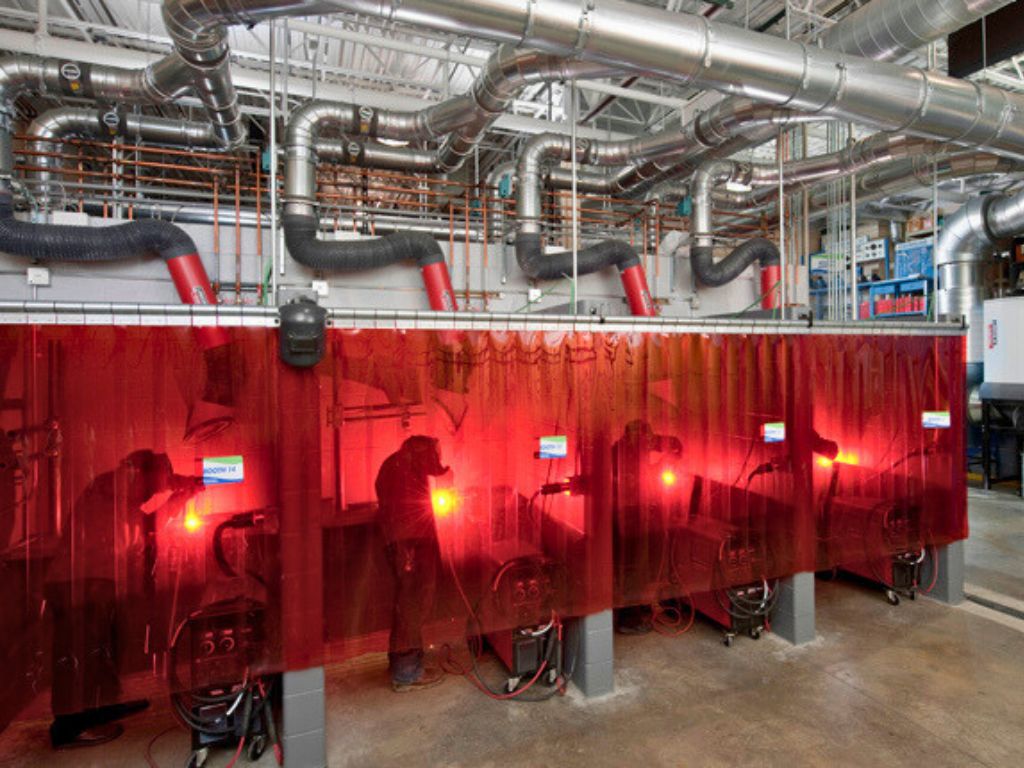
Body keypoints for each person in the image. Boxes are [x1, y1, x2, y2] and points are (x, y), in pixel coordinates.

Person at [46, 450, 203, 749]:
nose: (159, 488)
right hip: (77, 584)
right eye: (158, 478)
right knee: (79, 656)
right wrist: (173, 487)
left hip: (94, 582)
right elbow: (145, 521)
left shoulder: (118, 498)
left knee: (104, 649)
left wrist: (175, 491)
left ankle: (101, 707)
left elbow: (144, 524)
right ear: (141, 472)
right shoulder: (115, 485)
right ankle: (67, 728)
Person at [374, 436, 449, 692]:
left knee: (406, 605)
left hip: (403, 545)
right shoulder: (403, 471)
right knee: (413, 605)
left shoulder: (395, 464)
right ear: (421, 453)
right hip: (410, 546)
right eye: (433, 455)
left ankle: (402, 664)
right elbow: (407, 518)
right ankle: (407, 673)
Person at [612, 420, 683, 634]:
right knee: (634, 567)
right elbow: (639, 480)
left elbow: (676, 444)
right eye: (648, 439)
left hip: (624, 516)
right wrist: (661, 465)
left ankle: (634, 606)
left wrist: (663, 445)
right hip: (629, 517)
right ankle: (629, 621)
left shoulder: (623, 447)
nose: (651, 443)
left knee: (632, 567)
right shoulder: (625, 455)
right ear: (636, 438)